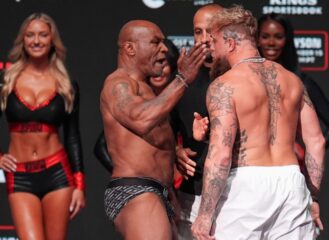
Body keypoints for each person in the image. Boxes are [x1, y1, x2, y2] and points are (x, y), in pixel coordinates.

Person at [190, 6, 325, 239]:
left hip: (246, 186)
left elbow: (220, 154)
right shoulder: (292, 81)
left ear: (230, 43)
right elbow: (316, 141)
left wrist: (204, 214)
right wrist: (311, 196)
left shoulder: (225, 85)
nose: (211, 47)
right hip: (291, 182)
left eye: (214, 41)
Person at [100, 20, 206, 239]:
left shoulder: (146, 88)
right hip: (137, 190)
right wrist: (183, 79)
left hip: (158, 193)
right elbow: (140, 119)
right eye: (156, 42)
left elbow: (143, 136)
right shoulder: (118, 84)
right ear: (130, 48)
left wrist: (174, 152)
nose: (164, 48)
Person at [257, 13, 329, 232]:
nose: (271, 42)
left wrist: (305, 151)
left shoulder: (299, 81)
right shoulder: (244, 78)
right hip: (252, 172)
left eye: (278, 36)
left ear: (287, 40)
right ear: (256, 39)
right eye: (265, 36)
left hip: (289, 171)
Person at [0, 13, 85, 239]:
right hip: (19, 175)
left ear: (52, 40)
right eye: (30, 35)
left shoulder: (66, 84)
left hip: (57, 172)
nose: (36, 41)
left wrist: (79, 185)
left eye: (43, 35)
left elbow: (73, 137)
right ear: (23, 40)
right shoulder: (5, 80)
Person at [168, 4, 223, 239]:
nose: (203, 39)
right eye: (197, 32)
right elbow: (164, 129)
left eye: (210, 31)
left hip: (237, 195)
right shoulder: (182, 80)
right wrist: (176, 150)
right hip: (193, 196)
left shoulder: (242, 76)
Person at [93, 38, 180, 173]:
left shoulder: (178, 103)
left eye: (164, 63)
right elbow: (100, 146)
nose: (160, 69)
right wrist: (130, 176)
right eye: (156, 63)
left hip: (168, 184)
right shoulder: (134, 96)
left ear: (173, 66)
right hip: (139, 185)